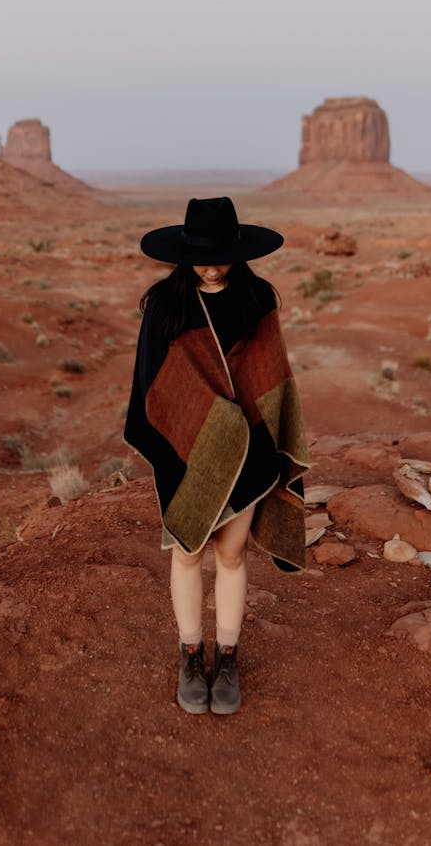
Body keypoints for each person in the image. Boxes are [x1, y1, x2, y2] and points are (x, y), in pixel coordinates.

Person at [124, 197, 309, 715]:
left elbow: (272, 382)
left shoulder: (257, 300)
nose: (210, 265)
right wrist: (188, 432)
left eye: (221, 254)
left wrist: (250, 432)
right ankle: (189, 654)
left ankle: (226, 656)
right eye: (201, 256)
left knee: (231, 554)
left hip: (248, 450)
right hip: (185, 451)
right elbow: (151, 386)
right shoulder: (166, 304)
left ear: (238, 251)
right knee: (187, 552)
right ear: (184, 254)